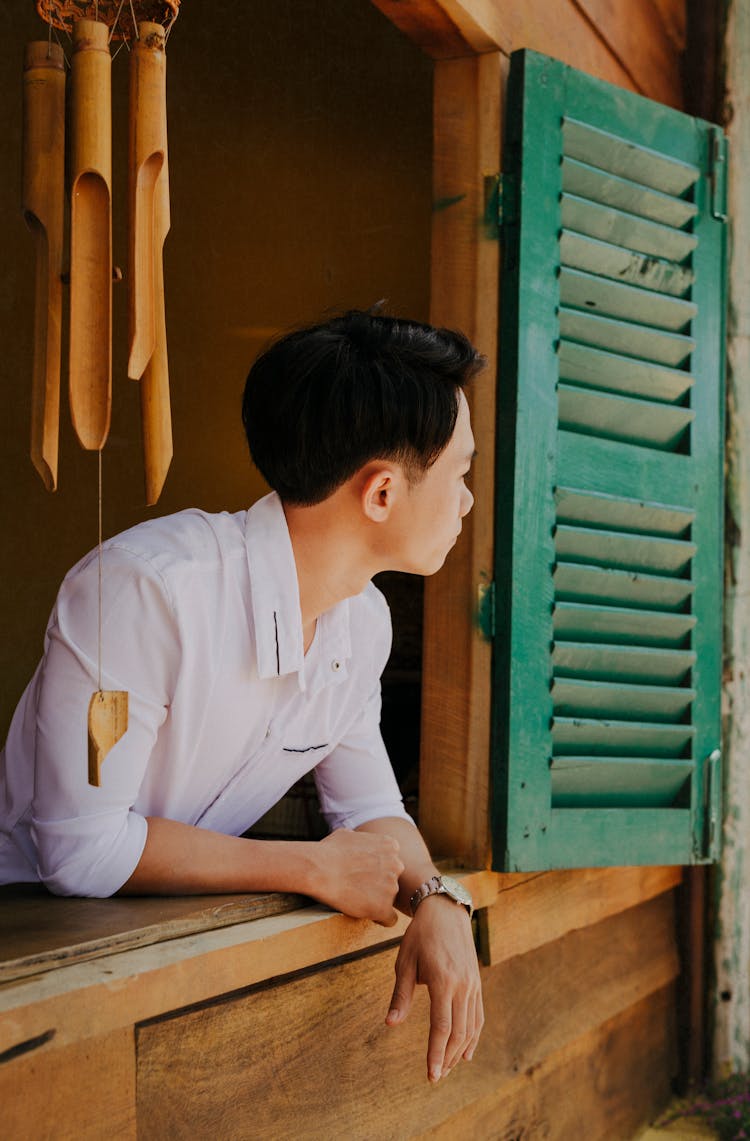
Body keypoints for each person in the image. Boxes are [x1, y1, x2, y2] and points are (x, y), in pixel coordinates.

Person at [0, 309, 485, 1083]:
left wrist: (437, 896)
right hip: (28, 944)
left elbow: (368, 808)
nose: (467, 500)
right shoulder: (145, 592)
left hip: (160, 947)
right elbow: (80, 848)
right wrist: (308, 868)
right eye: (461, 473)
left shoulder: (362, 621)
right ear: (383, 493)